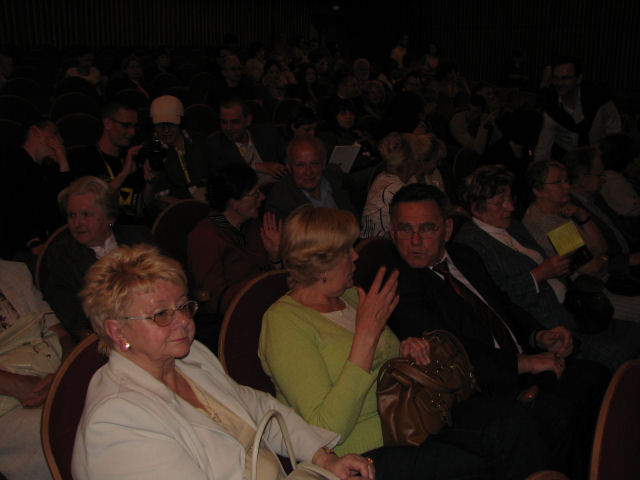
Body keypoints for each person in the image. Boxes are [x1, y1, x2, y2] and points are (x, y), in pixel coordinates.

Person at [259, 205, 549, 480]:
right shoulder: (284, 322)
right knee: (479, 462)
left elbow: (391, 362)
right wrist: (365, 340)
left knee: (512, 421)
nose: (356, 256)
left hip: (416, 421)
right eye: (347, 250)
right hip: (364, 453)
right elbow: (327, 429)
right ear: (320, 264)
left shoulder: (352, 297)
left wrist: (407, 349)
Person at [72, 244, 373, 480]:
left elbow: (259, 407)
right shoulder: (116, 420)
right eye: (161, 314)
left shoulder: (189, 357)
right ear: (117, 331)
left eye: (183, 306)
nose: (182, 321)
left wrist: (324, 459)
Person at [385, 183, 610, 479]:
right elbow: (449, 354)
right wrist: (524, 363)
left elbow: (503, 304)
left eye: (427, 228)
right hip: (480, 387)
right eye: (405, 229)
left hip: (519, 361)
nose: (415, 240)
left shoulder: (464, 255)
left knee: (596, 378)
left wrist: (538, 335)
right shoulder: (398, 282)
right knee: (558, 415)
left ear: (447, 229)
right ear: (392, 232)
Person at [455, 165, 640, 371]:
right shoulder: (473, 243)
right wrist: (540, 274)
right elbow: (498, 299)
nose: (510, 207)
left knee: (632, 334)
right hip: (551, 322)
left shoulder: (516, 225)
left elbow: (597, 253)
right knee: (625, 347)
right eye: (500, 203)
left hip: (577, 306)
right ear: (476, 208)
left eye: (510, 199)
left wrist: (582, 215)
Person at [522, 158, 640, 322]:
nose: (567, 186)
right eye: (558, 182)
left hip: (604, 282)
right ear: (538, 190)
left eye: (566, 180)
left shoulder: (560, 211)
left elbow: (601, 248)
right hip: (594, 296)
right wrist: (604, 261)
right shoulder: (548, 223)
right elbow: (592, 267)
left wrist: (582, 215)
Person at [43, 176, 153, 340]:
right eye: (71, 215)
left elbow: (174, 279)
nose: (77, 223)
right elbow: (70, 314)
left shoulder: (139, 238)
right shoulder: (61, 255)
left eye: (85, 215)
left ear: (109, 217)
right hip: (109, 336)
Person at [0, 259, 73, 479]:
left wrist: (62, 375)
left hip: (48, 369)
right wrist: (17, 385)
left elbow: (61, 335)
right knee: (65, 432)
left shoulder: (13, 271)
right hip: (7, 399)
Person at [188, 164, 281, 316]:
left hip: (265, 303)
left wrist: (274, 257)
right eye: (255, 194)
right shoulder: (205, 236)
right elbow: (215, 300)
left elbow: (270, 275)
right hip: (235, 314)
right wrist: (261, 284)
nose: (262, 197)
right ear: (234, 203)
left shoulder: (252, 225)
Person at [0, 118, 71, 262]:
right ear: (35, 132)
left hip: (42, 245)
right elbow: (10, 203)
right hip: (16, 247)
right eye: (55, 133)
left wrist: (62, 159)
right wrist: (32, 240)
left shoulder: (46, 171)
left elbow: (65, 203)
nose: (60, 140)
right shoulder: (11, 160)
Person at [68, 102, 151, 223]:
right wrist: (123, 174)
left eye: (134, 126)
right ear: (107, 123)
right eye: (126, 125)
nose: (132, 132)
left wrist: (151, 181)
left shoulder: (131, 157)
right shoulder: (83, 157)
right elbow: (90, 205)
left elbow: (141, 211)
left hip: (130, 229)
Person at [534, 57, 621, 161]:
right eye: (556, 78)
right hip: (566, 159)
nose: (559, 83)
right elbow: (543, 148)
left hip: (601, 157)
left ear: (578, 79)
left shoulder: (599, 99)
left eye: (565, 78)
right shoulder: (551, 108)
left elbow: (615, 132)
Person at [264, 137, 358, 221]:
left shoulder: (337, 179)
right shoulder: (280, 200)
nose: (308, 172)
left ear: (323, 163)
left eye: (314, 164)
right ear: (289, 167)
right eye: (301, 165)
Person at [145, 95, 208, 207]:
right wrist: (190, 206)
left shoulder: (198, 141)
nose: (166, 130)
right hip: (177, 208)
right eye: (160, 126)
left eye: (171, 125)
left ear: (180, 123)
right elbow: (160, 196)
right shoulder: (153, 151)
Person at [207, 98, 287, 184]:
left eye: (235, 122)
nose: (228, 128)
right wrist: (256, 166)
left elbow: (287, 156)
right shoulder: (216, 143)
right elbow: (223, 174)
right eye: (224, 122)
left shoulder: (267, 133)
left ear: (248, 120)